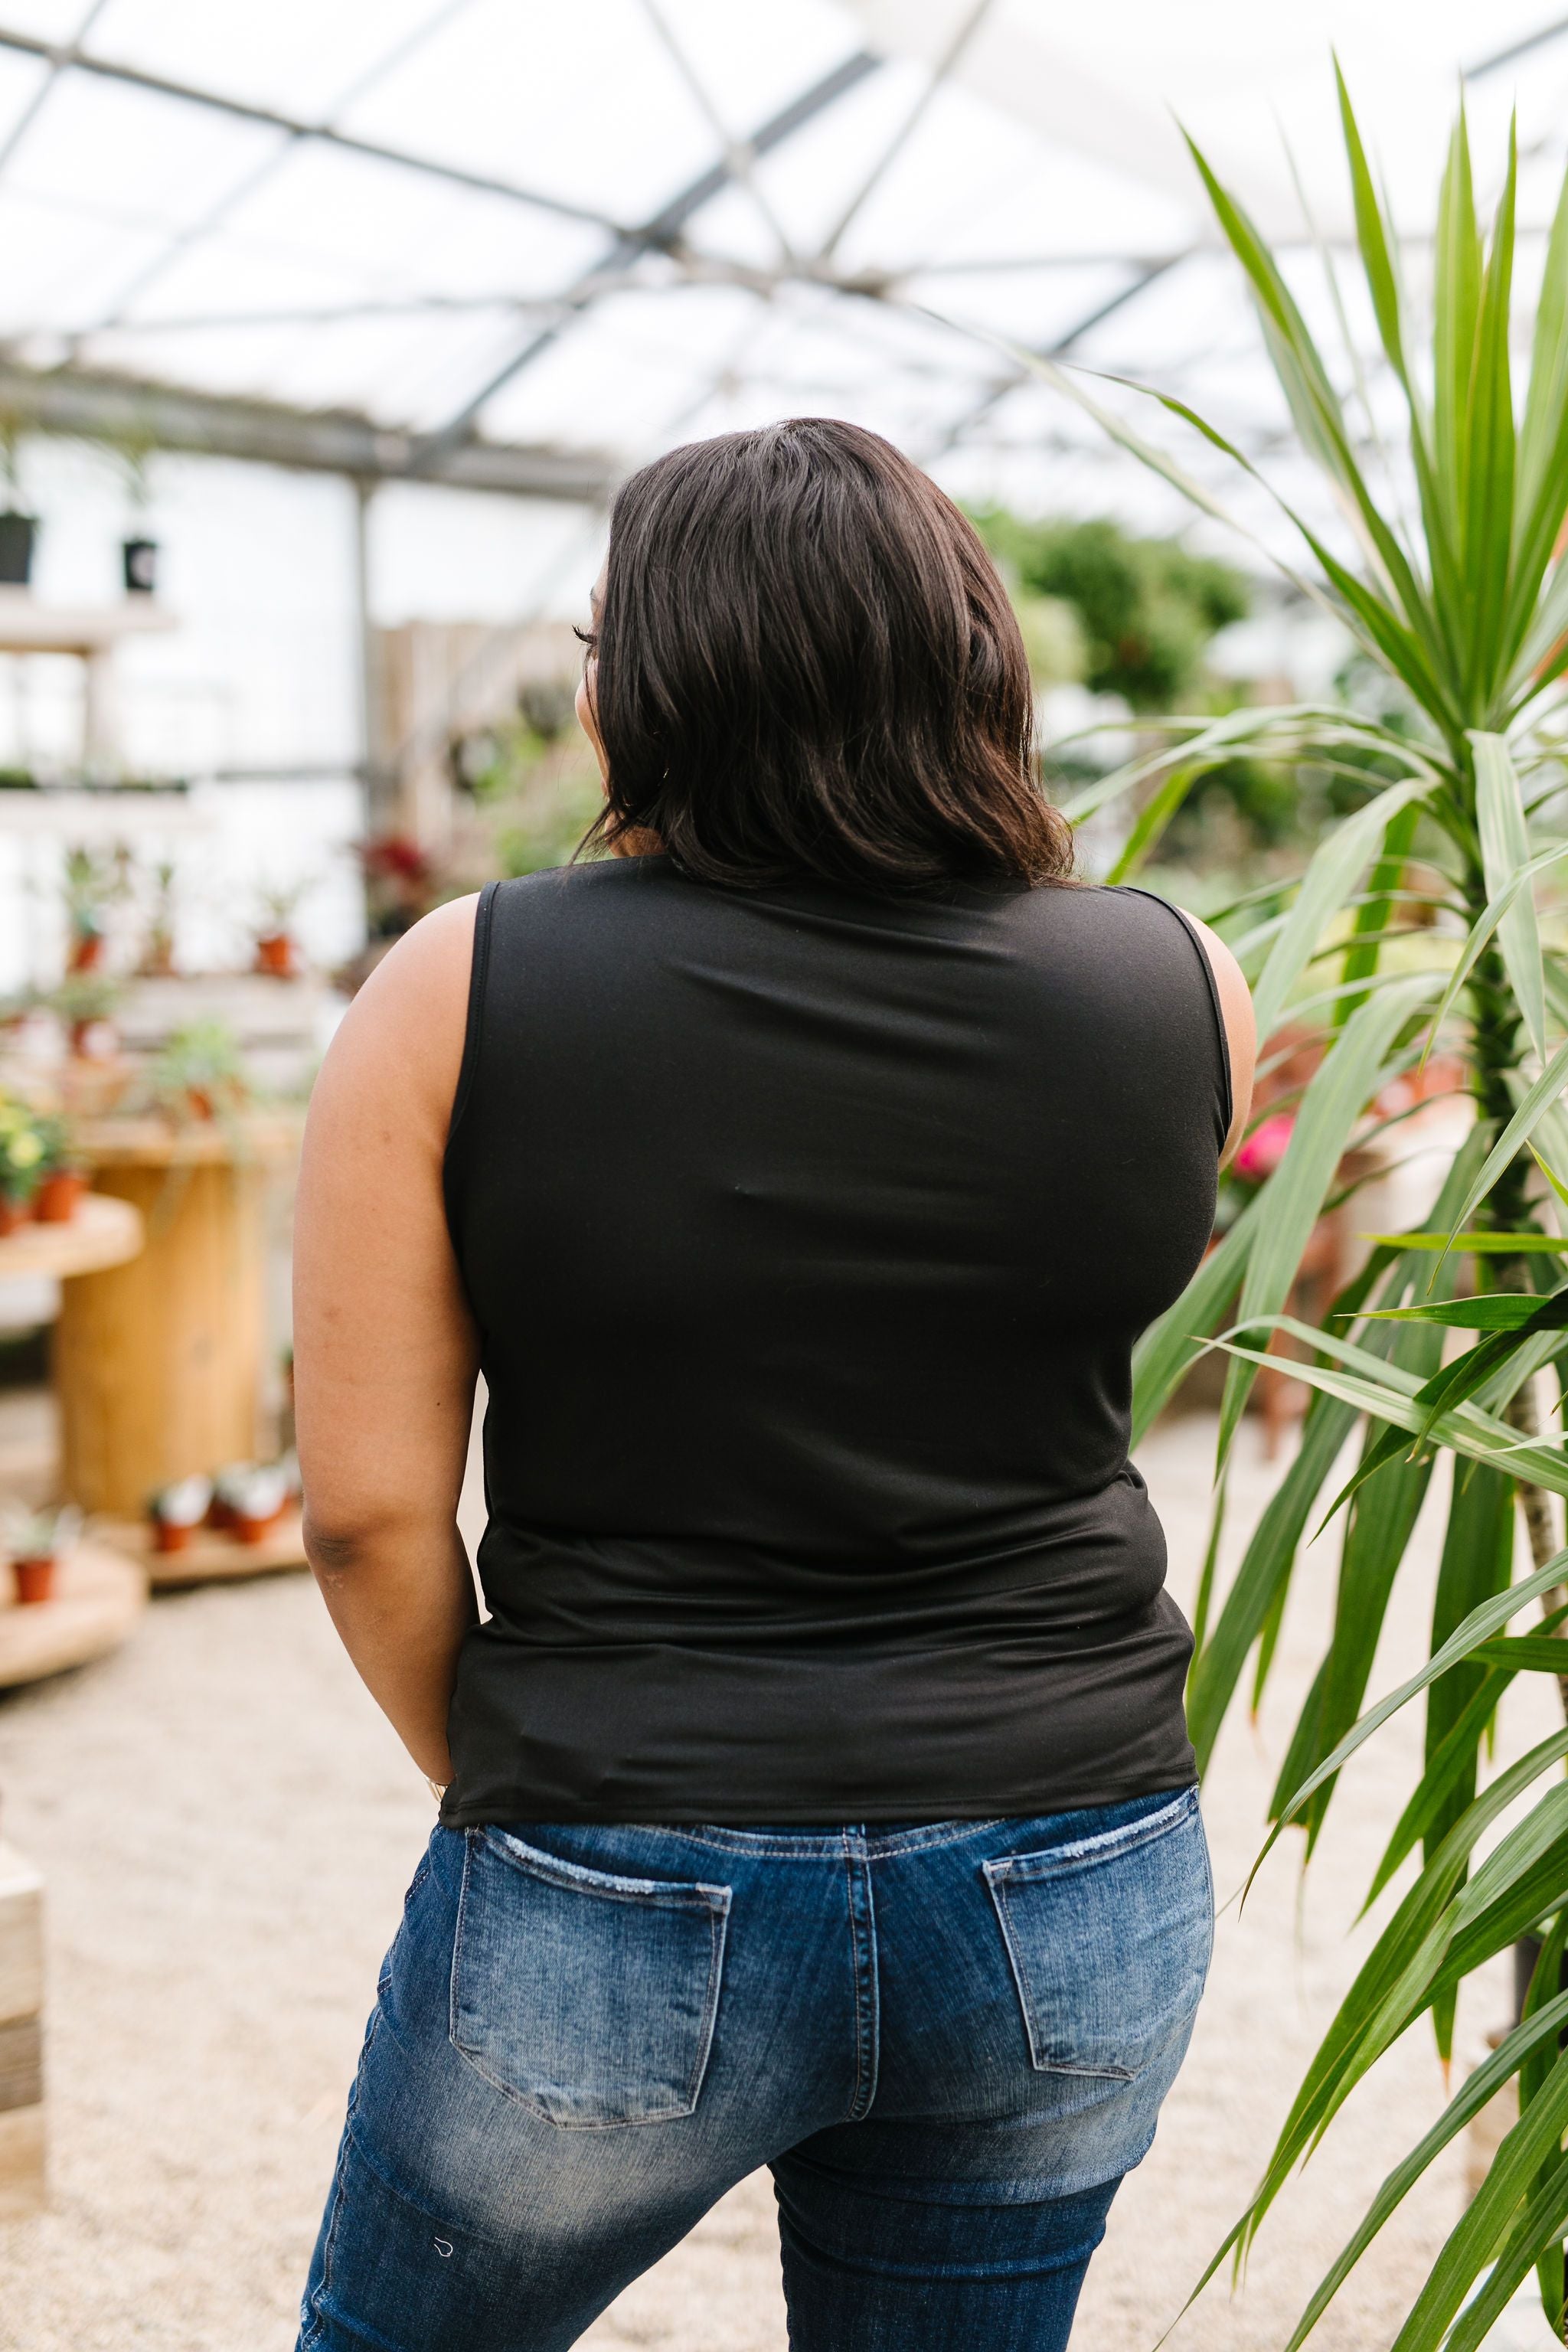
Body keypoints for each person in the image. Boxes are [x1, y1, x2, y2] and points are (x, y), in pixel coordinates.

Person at [291, 417, 1255, 2352]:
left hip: (621, 1842)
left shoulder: (458, 990)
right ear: (971, 667)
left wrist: (530, 1782)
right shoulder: (1179, 982)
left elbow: (366, 1513)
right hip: (1073, 1864)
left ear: (654, 683)